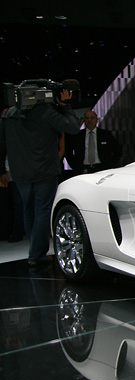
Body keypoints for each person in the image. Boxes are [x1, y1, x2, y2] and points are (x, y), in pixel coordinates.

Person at [0, 89, 80, 267]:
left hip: (20, 172)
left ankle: (37, 251)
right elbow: (73, 127)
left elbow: (1, 145)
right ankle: (36, 255)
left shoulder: (9, 115)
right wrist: (65, 106)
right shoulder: (46, 112)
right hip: (44, 171)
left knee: (29, 211)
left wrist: (1, 170)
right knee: (42, 212)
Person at [65, 110, 121, 176]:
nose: (89, 120)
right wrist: (75, 166)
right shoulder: (77, 136)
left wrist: (111, 165)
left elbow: (117, 149)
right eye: (87, 118)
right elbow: (68, 152)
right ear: (84, 120)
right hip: (83, 170)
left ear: (96, 119)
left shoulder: (105, 135)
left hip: (102, 169)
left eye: (92, 118)